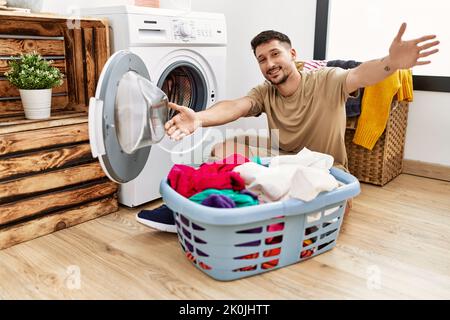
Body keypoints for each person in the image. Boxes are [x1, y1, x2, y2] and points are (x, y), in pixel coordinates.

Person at [136, 23, 439, 232]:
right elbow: (236, 106)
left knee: (322, 213)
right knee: (222, 149)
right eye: (262, 59)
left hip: (323, 168)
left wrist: (391, 62)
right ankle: (195, 210)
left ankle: (243, 211)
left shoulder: (326, 80)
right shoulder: (264, 92)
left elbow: (360, 75)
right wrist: (199, 118)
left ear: (292, 55)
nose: (269, 64)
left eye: (275, 54)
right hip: (278, 161)